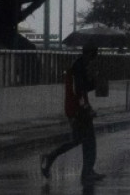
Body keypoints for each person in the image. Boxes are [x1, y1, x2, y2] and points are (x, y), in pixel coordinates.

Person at [40, 44, 104, 183]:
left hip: (76, 109)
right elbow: (79, 91)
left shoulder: (79, 66)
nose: (92, 60)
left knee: (79, 140)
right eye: (93, 57)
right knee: (88, 141)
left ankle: (50, 158)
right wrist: (87, 109)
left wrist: (94, 80)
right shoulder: (78, 68)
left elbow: (84, 88)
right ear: (89, 55)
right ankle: (86, 171)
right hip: (77, 111)